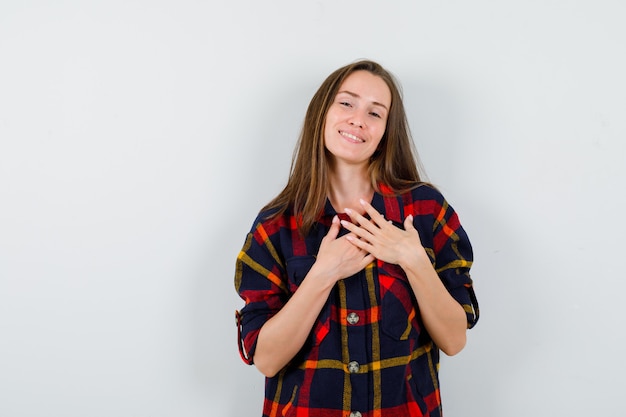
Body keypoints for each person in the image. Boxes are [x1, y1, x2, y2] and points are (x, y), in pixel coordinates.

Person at [234, 59, 479, 417]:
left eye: (375, 113)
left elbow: (454, 341)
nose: (358, 120)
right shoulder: (275, 225)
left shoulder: (426, 210)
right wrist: (322, 274)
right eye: (347, 103)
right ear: (323, 112)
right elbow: (267, 360)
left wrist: (413, 260)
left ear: (385, 132)